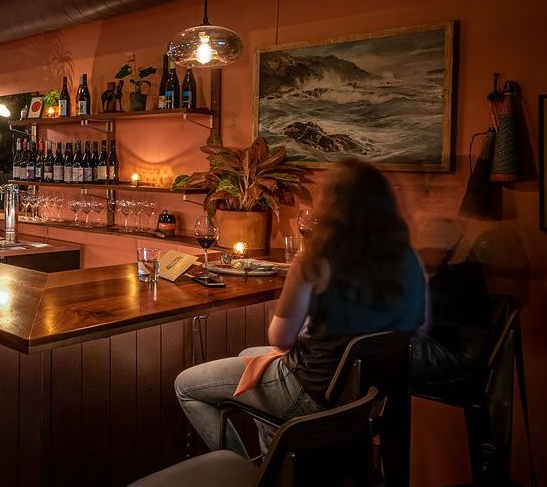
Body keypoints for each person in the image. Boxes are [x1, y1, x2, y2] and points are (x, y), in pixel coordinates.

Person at [174, 159, 427, 457]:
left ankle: (249, 473)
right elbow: (420, 328)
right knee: (248, 359)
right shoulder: (410, 258)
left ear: (332, 203)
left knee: (186, 386)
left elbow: (280, 339)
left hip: (311, 393)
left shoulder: (317, 257)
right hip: (365, 399)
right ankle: (280, 464)